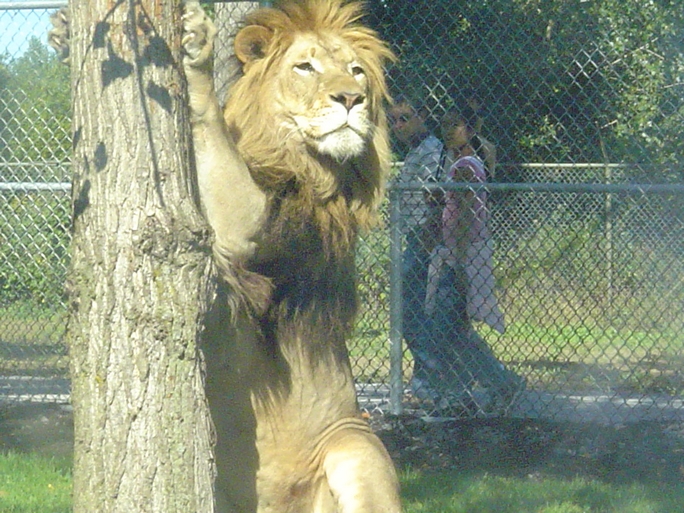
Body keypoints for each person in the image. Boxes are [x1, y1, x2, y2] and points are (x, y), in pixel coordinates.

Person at [424, 105, 525, 414]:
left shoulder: (466, 165)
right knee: (455, 329)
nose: (447, 130)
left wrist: (461, 263)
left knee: (444, 329)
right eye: (443, 125)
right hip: (460, 254)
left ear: (469, 130)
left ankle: (482, 386)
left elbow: (467, 216)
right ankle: (493, 384)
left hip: (463, 256)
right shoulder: (459, 165)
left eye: (454, 125)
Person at [388, 97, 447, 403]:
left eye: (405, 118)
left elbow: (434, 200)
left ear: (422, 116)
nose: (398, 126)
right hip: (411, 236)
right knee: (413, 312)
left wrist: (426, 240)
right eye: (394, 120)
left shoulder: (432, 150)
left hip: (424, 239)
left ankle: (429, 378)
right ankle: (427, 378)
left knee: (410, 311)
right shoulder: (414, 152)